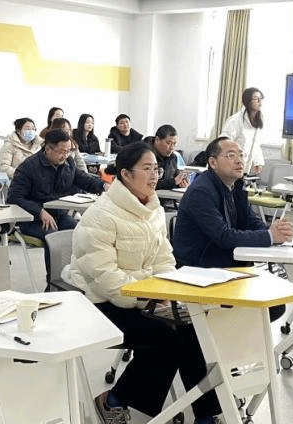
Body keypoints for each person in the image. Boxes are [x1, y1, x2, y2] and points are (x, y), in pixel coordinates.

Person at [64, 142, 222, 424]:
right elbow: (106, 279)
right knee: (164, 338)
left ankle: (206, 415)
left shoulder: (153, 208)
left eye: (156, 169)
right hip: (99, 302)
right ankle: (112, 400)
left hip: (141, 296)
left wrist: (164, 290)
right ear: (125, 174)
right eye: (147, 169)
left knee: (192, 329)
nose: (154, 176)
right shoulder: (101, 215)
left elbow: (164, 259)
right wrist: (148, 295)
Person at [173, 137, 293, 268]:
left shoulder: (237, 186)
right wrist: (269, 236)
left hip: (227, 263)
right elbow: (223, 236)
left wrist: (274, 231)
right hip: (199, 269)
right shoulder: (201, 191)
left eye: (241, 155)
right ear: (213, 162)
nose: (239, 161)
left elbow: (250, 220)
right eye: (231, 155)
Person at [7, 129, 106, 242]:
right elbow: (14, 198)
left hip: (58, 216)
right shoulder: (28, 167)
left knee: (80, 233)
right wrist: (39, 211)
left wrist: (104, 186)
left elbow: (84, 179)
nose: (65, 156)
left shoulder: (68, 163)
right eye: (61, 152)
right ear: (47, 149)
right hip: (33, 219)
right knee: (54, 238)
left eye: (68, 151)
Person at [220, 87, 265, 176]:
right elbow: (223, 142)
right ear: (248, 101)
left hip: (243, 169)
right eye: (256, 99)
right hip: (230, 167)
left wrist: (258, 162)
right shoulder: (236, 120)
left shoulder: (257, 121)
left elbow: (256, 145)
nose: (259, 101)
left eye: (261, 98)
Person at [145, 124, 189, 190]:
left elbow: (176, 179)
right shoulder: (144, 156)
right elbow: (144, 184)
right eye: (168, 143)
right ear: (157, 140)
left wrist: (181, 182)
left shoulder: (173, 157)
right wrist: (172, 182)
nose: (172, 147)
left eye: (174, 143)